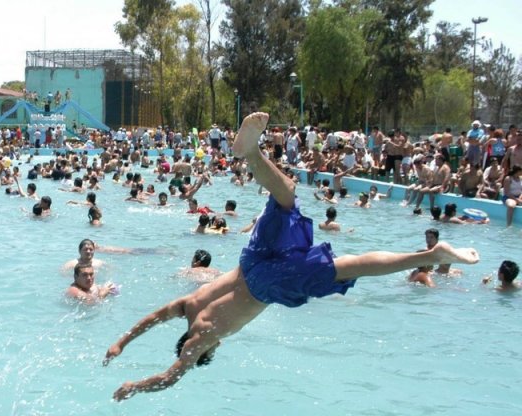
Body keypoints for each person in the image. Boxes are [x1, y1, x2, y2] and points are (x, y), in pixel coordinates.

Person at [103, 112, 479, 401]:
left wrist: (134, 387)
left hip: (266, 284)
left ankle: (430, 254)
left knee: (353, 266)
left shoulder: (199, 341)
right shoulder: (187, 306)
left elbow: (169, 377)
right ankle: (250, 152)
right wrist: (121, 342)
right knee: (286, 196)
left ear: (203, 349)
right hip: (250, 262)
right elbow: (151, 318)